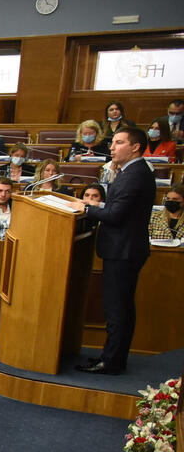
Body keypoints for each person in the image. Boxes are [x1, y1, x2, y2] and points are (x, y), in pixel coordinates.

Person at [69, 129, 157, 375]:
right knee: (121, 308)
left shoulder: (134, 174)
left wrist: (87, 209)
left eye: (119, 143)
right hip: (125, 248)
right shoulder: (134, 171)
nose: (112, 147)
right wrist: (98, 205)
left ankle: (111, 362)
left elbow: (116, 216)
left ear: (135, 147)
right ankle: (112, 357)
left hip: (123, 250)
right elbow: (120, 207)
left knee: (117, 309)